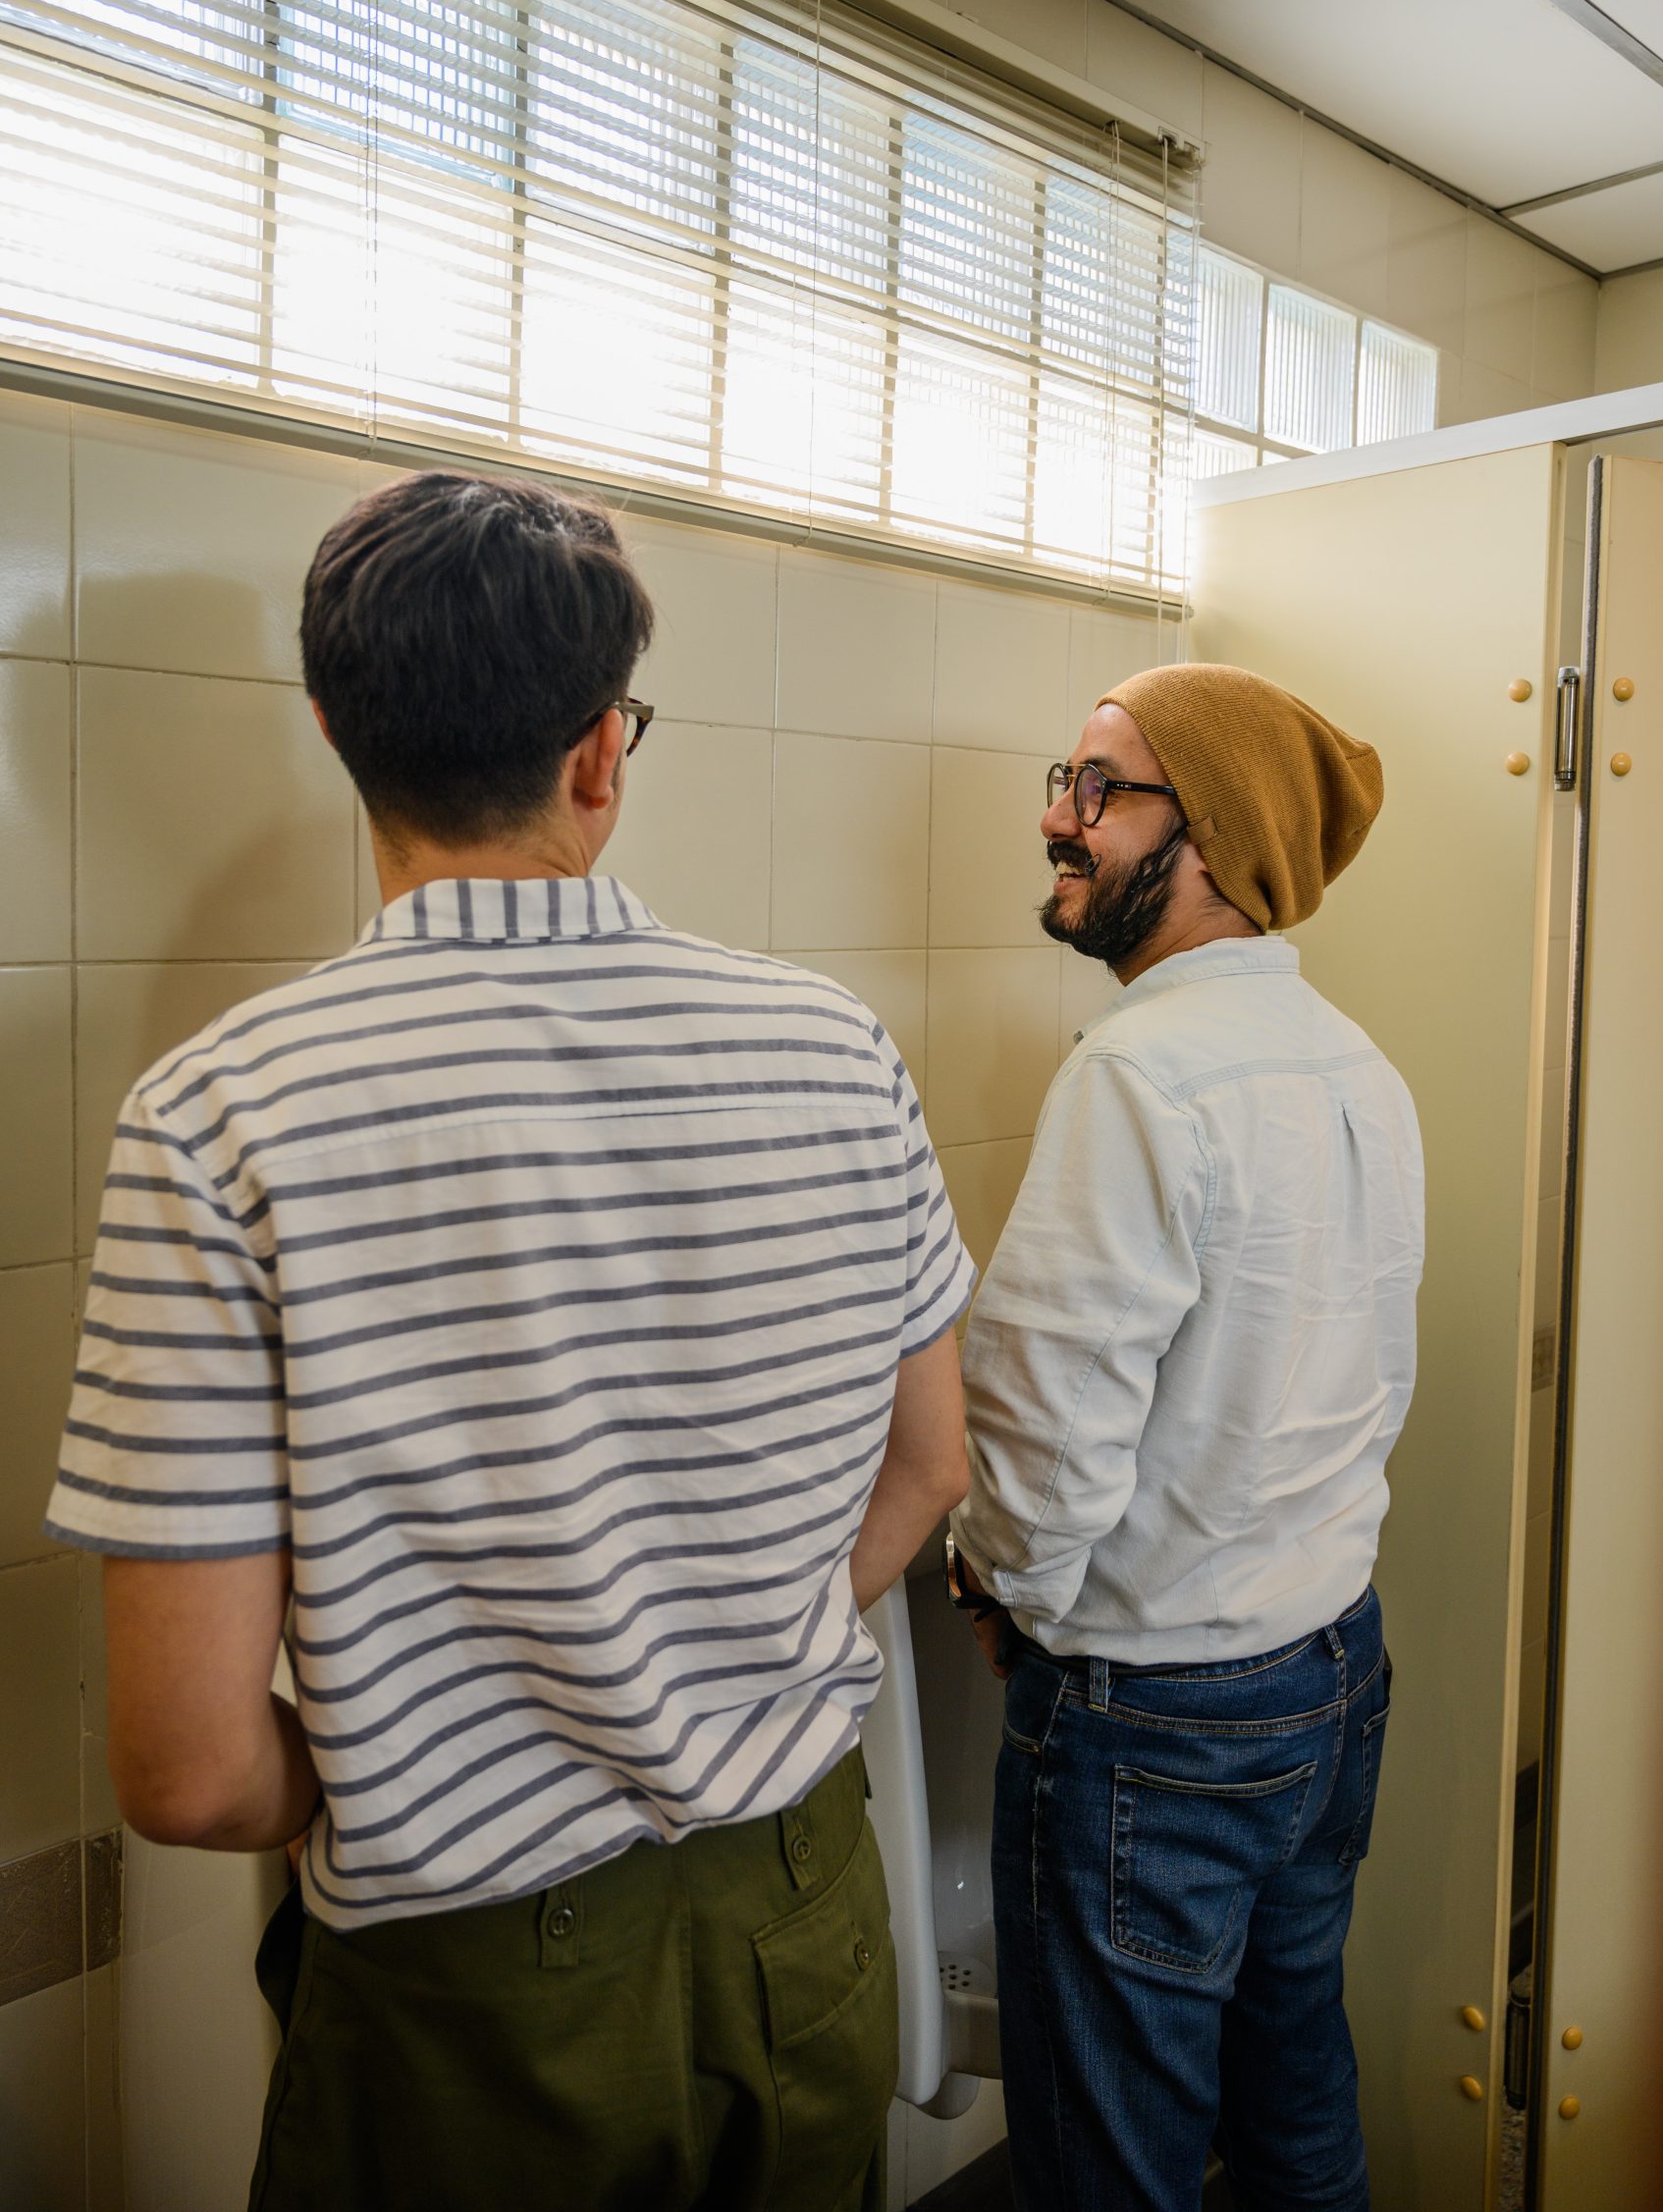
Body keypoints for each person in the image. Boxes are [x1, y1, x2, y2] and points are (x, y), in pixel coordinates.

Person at [46, 470, 976, 2212]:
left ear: (337, 729)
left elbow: (191, 1768)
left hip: (472, 1999)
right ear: (602, 752)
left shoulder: (220, 1117)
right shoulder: (834, 1049)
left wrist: (405, 1760)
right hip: (804, 1924)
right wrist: (722, 1665)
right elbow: (932, 1469)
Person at [945, 662, 1424, 2212]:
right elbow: (1367, 1376)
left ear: (1210, 833)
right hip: (1328, 1671)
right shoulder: (1357, 1062)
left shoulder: (1139, 1074)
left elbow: (1042, 1421)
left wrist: (1000, 1588)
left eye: (1100, 789)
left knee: (1116, 2166)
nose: (1058, 819)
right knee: (1297, 2114)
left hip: (1156, 1715)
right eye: (1064, 780)